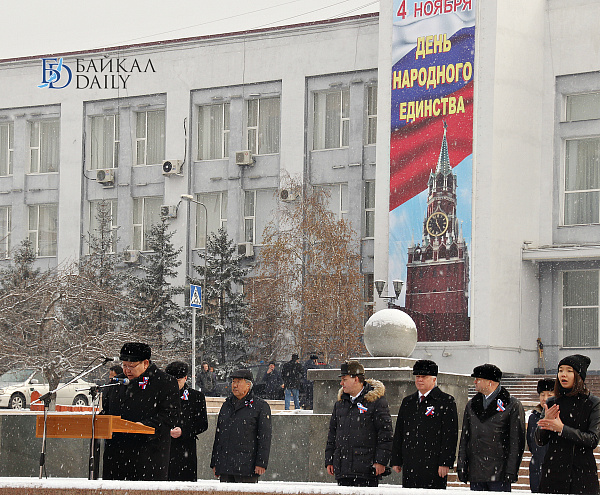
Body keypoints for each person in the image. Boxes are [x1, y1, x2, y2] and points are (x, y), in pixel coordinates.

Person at [101, 342, 180, 481]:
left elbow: (169, 416)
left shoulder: (165, 382)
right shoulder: (117, 382)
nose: (127, 370)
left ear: (145, 363)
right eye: (124, 365)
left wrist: (142, 426)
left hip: (148, 456)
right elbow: (107, 410)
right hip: (116, 456)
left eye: (131, 366)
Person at [535, 355, 600, 494]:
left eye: (569, 371)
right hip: (553, 473)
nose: (563, 374)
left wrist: (562, 429)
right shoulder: (552, 402)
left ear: (579, 376)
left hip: (582, 474)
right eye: (560, 370)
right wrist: (545, 422)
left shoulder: (593, 403)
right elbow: (539, 440)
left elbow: (593, 439)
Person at [391, 359, 458, 489]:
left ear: (434, 379)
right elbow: (399, 432)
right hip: (411, 462)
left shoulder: (445, 401)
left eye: (424, 377)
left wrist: (445, 462)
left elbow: (450, 435)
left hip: (433, 463)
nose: (420, 380)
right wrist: (396, 459)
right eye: (417, 376)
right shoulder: (408, 402)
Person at [457, 363, 525, 491]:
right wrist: (462, 465)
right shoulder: (472, 405)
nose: (475, 382)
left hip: (499, 472)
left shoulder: (512, 405)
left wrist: (511, 470)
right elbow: (465, 439)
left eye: (478, 379)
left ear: (490, 382)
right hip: (476, 471)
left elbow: (516, 441)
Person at [325, 360, 393, 487]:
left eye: (344, 379)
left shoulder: (376, 402)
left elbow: (385, 434)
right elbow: (332, 434)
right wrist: (329, 460)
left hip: (366, 470)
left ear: (356, 379)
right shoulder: (340, 404)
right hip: (343, 471)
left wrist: (380, 461)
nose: (341, 383)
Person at [211, 368, 272, 483]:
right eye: (233, 382)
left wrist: (261, 462)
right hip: (225, 466)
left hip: (246, 466)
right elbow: (219, 436)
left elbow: (264, 437)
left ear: (248, 385)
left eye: (238, 382)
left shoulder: (260, 406)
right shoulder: (226, 405)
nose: (234, 385)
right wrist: (215, 462)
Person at [165, 361, 208, 481]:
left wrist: (184, 431)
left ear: (185, 378)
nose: (174, 384)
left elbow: (202, 424)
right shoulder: (161, 396)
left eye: (177, 381)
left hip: (185, 449)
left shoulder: (196, 397)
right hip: (164, 449)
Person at [526, 378, 555, 493]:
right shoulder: (533, 417)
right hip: (537, 469)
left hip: (555, 471)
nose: (545, 398)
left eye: (549, 394)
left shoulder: (561, 417)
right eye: (542, 394)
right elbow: (531, 443)